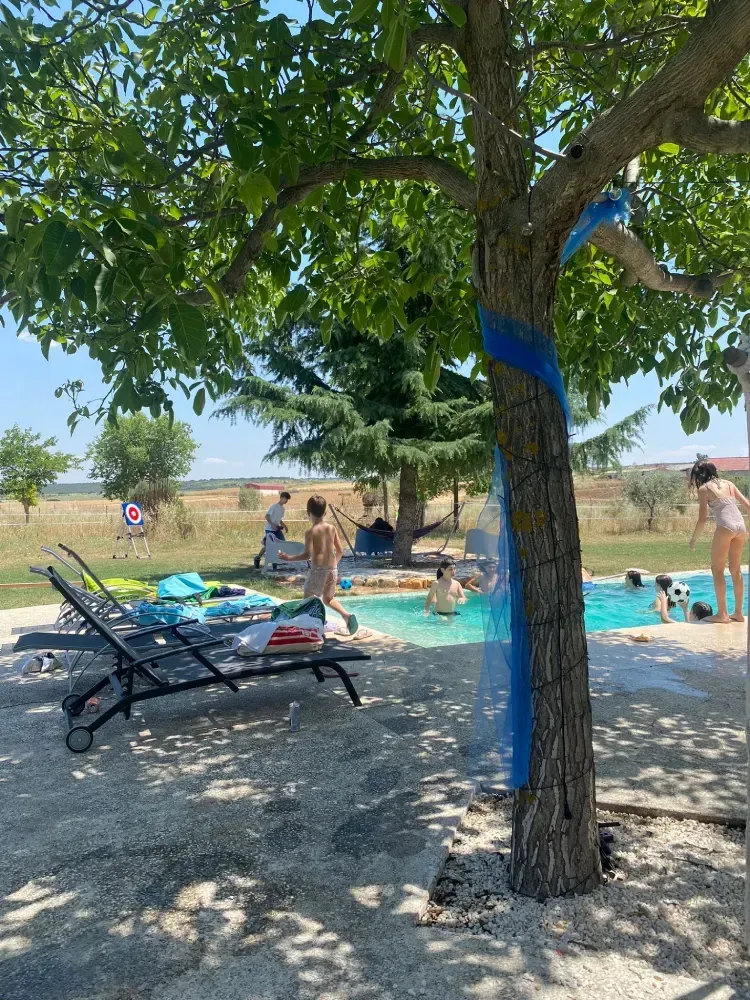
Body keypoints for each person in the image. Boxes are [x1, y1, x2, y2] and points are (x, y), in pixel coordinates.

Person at [278, 494, 359, 636]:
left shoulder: (311, 532)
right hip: (332, 569)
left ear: (308, 513)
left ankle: (309, 630)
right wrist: (333, 566)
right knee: (328, 599)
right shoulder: (332, 528)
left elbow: (307, 555)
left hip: (318, 571)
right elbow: (340, 551)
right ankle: (346, 615)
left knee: (308, 600)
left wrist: (288, 558)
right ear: (325, 512)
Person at [689, 460, 750, 623]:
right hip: (740, 526)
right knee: (735, 570)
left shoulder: (704, 489)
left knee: (717, 569)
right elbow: (748, 506)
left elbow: (702, 520)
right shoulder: (729, 484)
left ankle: (722, 614)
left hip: (725, 527)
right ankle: (738, 613)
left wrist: (693, 539)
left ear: (698, 476)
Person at [254, 490, 291, 569]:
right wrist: (272, 524)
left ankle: (277, 560)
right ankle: (257, 558)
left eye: (287, 499)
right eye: (286, 499)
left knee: (282, 544)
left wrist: (285, 526)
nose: (287, 501)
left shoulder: (282, 509)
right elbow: (267, 516)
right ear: (281, 498)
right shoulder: (273, 506)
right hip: (270, 529)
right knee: (268, 546)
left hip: (277, 529)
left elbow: (279, 519)